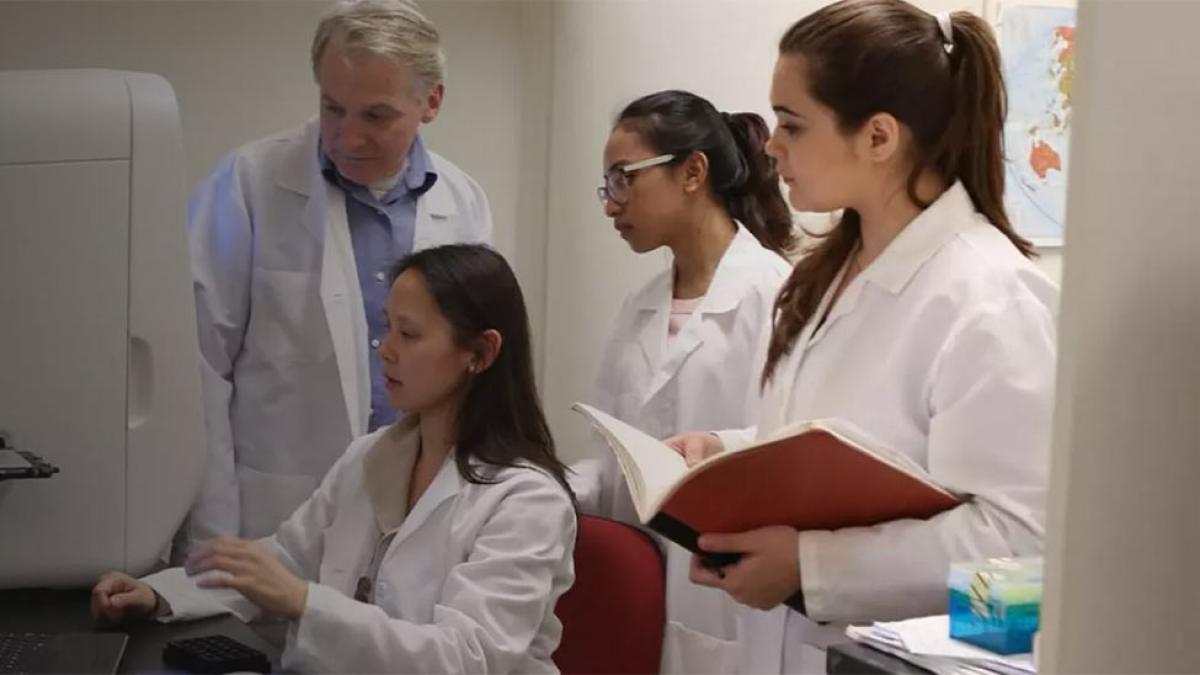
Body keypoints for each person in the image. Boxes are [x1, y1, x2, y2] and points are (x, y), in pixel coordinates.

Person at [668, 2, 1059, 672]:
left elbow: (1021, 545)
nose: (770, 145)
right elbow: (853, 444)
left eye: (791, 123)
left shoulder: (990, 297)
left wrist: (811, 566)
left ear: (879, 137)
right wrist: (728, 451)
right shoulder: (829, 273)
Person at [92, 245, 574, 674]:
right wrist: (161, 595)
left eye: (408, 334)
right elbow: (285, 562)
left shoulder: (527, 501)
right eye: (388, 328)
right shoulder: (372, 457)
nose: (385, 350)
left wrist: (304, 602)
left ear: (481, 352)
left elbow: (467, 659)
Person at [183, 0, 492, 552]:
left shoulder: (463, 202)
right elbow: (199, 366)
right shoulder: (249, 183)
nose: (347, 138)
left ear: (431, 103)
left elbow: (470, 372)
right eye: (332, 109)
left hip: (415, 510)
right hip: (276, 510)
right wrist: (211, 534)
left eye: (376, 116)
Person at [572, 90, 794, 674]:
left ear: (693, 172)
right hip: (640, 593)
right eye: (607, 185)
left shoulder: (775, 297)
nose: (611, 204)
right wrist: (544, 488)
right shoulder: (638, 308)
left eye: (624, 179)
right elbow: (612, 457)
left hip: (731, 601)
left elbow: (786, 449)